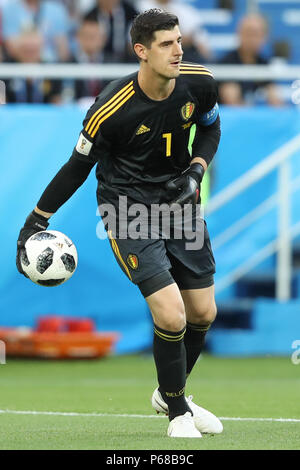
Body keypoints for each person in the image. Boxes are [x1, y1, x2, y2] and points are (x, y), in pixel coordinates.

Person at [16, 9, 223, 438]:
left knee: (203, 311)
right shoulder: (109, 108)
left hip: (179, 206)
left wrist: (196, 171)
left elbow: (210, 128)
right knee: (171, 314)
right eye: (167, 44)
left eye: (180, 41)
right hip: (127, 210)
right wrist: (35, 221)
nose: (178, 51)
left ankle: (169, 392)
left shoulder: (198, 81)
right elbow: (76, 168)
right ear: (141, 51)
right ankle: (178, 413)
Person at [218, 13, 283, 106]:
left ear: (264, 37)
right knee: (231, 91)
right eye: (248, 33)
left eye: (256, 34)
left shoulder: (263, 63)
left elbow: (275, 97)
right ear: (239, 33)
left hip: (249, 114)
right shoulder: (226, 63)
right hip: (226, 117)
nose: (251, 39)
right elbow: (230, 101)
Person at [4, 29, 62, 103]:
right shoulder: (6, 70)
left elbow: (57, 103)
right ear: (18, 50)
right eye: (26, 50)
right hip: (13, 114)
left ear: (40, 50)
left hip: (44, 114)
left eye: (33, 51)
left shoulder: (50, 71)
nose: (29, 56)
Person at [68, 18, 109, 102]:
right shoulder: (68, 63)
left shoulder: (113, 63)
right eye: (86, 35)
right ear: (78, 37)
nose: (90, 40)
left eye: (94, 36)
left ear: (103, 39)